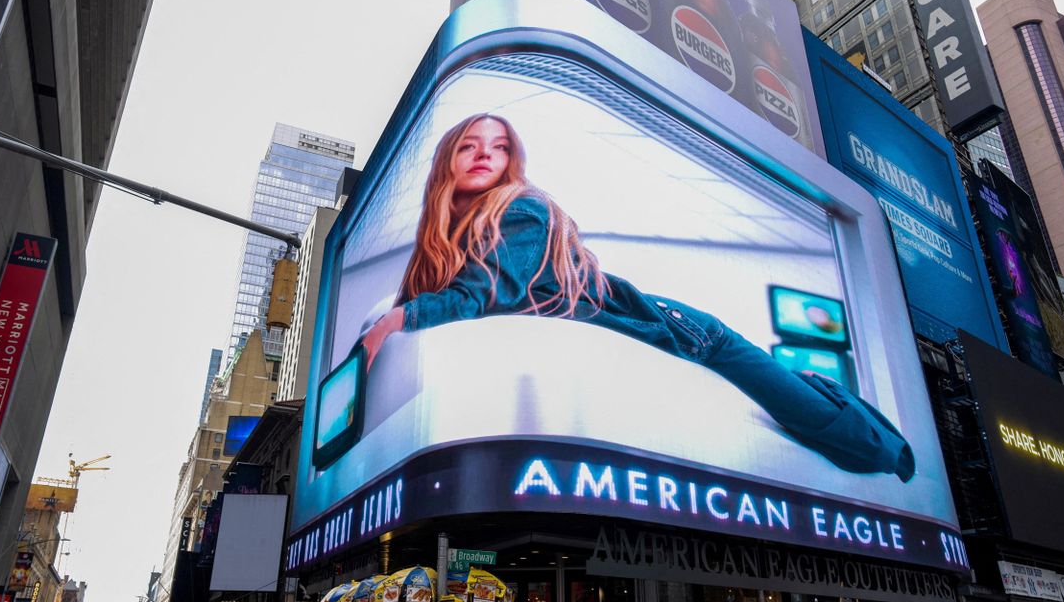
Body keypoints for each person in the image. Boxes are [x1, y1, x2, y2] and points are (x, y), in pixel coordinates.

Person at [360, 113, 914, 481]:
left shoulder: (523, 209)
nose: (485, 155)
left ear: (512, 162)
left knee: (822, 425)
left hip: (684, 331)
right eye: (469, 146)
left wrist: (402, 317)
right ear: (447, 160)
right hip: (664, 325)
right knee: (795, 387)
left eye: (498, 148)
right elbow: (455, 297)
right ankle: (833, 396)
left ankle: (889, 448)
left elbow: (483, 294)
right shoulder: (444, 240)